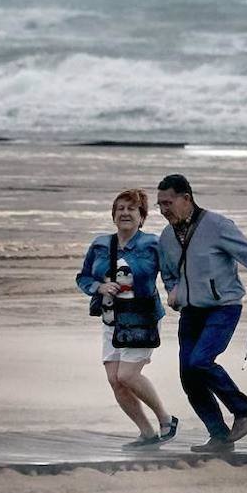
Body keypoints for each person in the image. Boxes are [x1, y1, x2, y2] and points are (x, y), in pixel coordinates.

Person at [156, 173, 247, 453]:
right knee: (188, 375)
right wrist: (173, 290)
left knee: (200, 361)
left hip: (223, 307)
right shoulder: (166, 236)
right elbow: (168, 273)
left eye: (168, 203)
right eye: (160, 205)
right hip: (191, 312)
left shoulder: (218, 225)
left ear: (186, 199)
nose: (164, 210)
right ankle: (220, 437)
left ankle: (244, 411)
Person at [76, 189, 178, 448]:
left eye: (132, 209)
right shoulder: (100, 244)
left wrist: (176, 295)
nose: (125, 213)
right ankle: (147, 433)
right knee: (115, 380)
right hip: (111, 319)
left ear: (142, 217)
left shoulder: (153, 244)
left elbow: (171, 275)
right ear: (113, 215)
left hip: (142, 318)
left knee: (128, 375)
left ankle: (166, 419)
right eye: (120, 208)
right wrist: (98, 287)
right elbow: (84, 277)